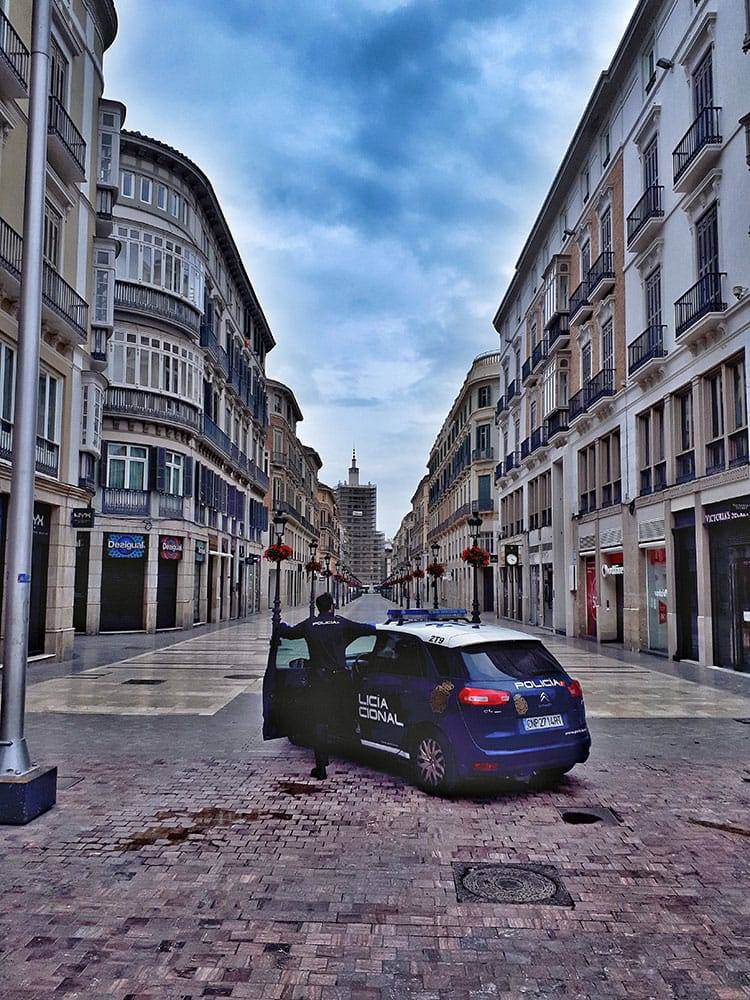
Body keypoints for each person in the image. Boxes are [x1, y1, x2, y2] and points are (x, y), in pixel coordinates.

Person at [276, 593, 376, 780]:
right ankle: (361, 758)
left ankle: (321, 767)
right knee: (347, 717)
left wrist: (279, 624)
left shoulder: (310, 624)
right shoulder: (341, 623)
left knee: (319, 722)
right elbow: (365, 629)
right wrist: (380, 626)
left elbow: (288, 634)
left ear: (318, 608)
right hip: (340, 680)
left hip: (319, 681)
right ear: (331, 607)